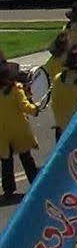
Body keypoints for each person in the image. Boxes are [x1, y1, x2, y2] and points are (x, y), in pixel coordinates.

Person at [0, 65, 39, 197]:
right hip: (18, 129)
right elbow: (24, 106)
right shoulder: (16, 89)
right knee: (26, 157)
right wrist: (35, 109)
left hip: (2, 132)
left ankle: (8, 189)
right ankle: (35, 182)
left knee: (6, 161)